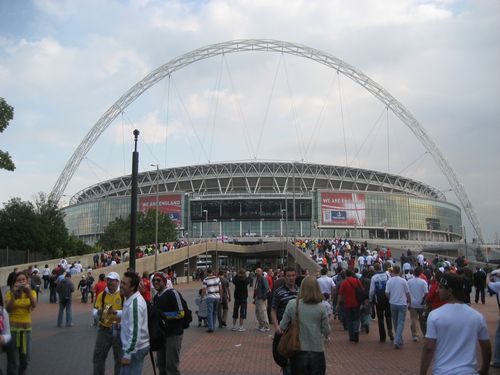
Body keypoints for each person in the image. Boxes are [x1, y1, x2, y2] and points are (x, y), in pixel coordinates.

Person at [420, 272, 491, 375]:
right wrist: (485, 369)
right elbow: (486, 348)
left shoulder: (435, 316)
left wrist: (422, 373)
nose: (437, 290)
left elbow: (428, 348)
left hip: (443, 371)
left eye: (440, 287)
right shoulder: (477, 317)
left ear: (450, 291)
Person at [279, 276, 330, 375]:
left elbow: (282, 326)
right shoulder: (321, 307)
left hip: (298, 349)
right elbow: (327, 331)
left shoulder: (292, 304)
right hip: (317, 349)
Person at [152, 272, 189, 375]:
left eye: (158, 280)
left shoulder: (173, 293)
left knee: (171, 366)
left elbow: (181, 313)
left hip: (174, 334)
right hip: (161, 336)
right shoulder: (156, 298)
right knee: (161, 365)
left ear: (164, 281)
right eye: (154, 280)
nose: (156, 282)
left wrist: (163, 316)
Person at [5, 271, 37, 375]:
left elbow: (34, 305)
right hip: (13, 329)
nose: (21, 282)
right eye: (19, 280)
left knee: (25, 358)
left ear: (27, 281)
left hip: (26, 329)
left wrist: (28, 293)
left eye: (23, 280)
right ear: (15, 283)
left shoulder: (32, 293)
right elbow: (8, 309)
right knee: (13, 359)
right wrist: (14, 295)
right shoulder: (9, 293)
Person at [93, 272, 124, 375]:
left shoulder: (123, 295)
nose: (109, 282)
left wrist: (115, 312)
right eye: (108, 280)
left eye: (112, 280)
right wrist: (98, 313)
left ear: (118, 282)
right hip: (104, 329)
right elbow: (95, 310)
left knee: (119, 358)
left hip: (119, 330)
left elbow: (128, 313)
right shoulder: (102, 295)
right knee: (98, 357)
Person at [119, 271, 149, 374]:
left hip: (135, 350)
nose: (120, 286)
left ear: (132, 287)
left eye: (124, 284)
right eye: (121, 282)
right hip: (134, 348)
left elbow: (135, 333)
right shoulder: (130, 299)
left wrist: (128, 354)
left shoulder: (135, 304)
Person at [271, 266, 299, 374]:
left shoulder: (300, 291)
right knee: (284, 357)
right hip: (284, 329)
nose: (291, 278)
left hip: (297, 330)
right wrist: (277, 326)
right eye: (288, 276)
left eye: (293, 276)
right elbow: (273, 310)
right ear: (284, 277)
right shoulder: (279, 292)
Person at [386, 265, 411, 349]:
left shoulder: (389, 281)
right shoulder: (403, 281)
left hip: (392, 303)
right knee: (400, 322)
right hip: (402, 303)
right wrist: (409, 302)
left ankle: (399, 339)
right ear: (399, 271)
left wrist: (390, 298)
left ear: (393, 271)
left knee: (395, 322)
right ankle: (397, 340)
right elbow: (407, 293)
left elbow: (386, 292)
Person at [336, 269, 363, 342]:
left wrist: (338, 304)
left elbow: (340, 294)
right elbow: (362, 290)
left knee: (349, 320)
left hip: (347, 303)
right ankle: (356, 331)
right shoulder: (357, 280)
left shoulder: (344, 283)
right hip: (356, 302)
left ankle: (351, 336)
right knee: (356, 318)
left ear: (345, 275)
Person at [407, 267, 428, 341]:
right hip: (421, 303)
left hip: (412, 303)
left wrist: (408, 302)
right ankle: (425, 334)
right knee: (422, 320)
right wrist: (424, 301)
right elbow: (426, 293)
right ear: (420, 273)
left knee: (413, 319)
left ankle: (415, 335)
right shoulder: (423, 282)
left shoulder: (409, 281)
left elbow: (407, 292)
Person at [201, 268, 222, 333]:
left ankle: (211, 328)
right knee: (214, 312)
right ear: (212, 272)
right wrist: (221, 297)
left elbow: (204, 290)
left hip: (210, 297)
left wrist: (201, 298)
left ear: (207, 272)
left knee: (210, 313)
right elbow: (221, 288)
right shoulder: (217, 278)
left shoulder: (205, 280)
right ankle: (213, 326)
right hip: (217, 297)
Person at [487, 269, 500, 369]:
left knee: (499, 337)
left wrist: (489, 275)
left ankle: (497, 360)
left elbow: (488, 283)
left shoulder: (498, 285)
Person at [253, 268, 270, 332]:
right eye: (256, 271)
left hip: (261, 298)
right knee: (257, 312)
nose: (257, 272)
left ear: (261, 272)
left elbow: (266, 288)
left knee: (263, 312)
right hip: (257, 297)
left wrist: (264, 297)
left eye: (259, 271)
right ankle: (261, 325)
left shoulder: (263, 278)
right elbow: (256, 288)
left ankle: (266, 326)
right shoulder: (257, 279)